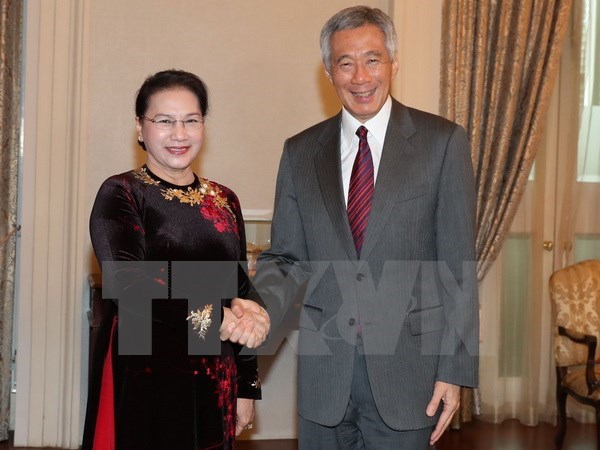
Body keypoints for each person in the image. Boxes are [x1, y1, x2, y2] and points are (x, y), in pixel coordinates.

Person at [228, 6, 479, 450]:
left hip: (409, 376)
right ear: (329, 71)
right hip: (325, 376)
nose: (360, 76)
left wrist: (453, 372)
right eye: (345, 62)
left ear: (394, 63)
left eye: (373, 59)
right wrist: (259, 314)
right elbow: (286, 259)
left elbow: (456, 265)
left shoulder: (442, 143)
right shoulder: (300, 152)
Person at [83, 69, 269, 450]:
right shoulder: (122, 193)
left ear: (204, 124)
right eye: (164, 121)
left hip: (214, 367)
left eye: (190, 120)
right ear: (140, 127)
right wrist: (218, 316)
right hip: (147, 364)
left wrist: (247, 385)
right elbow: (128, 282)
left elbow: (240, 290)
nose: (179, 134)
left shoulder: (224, 199)